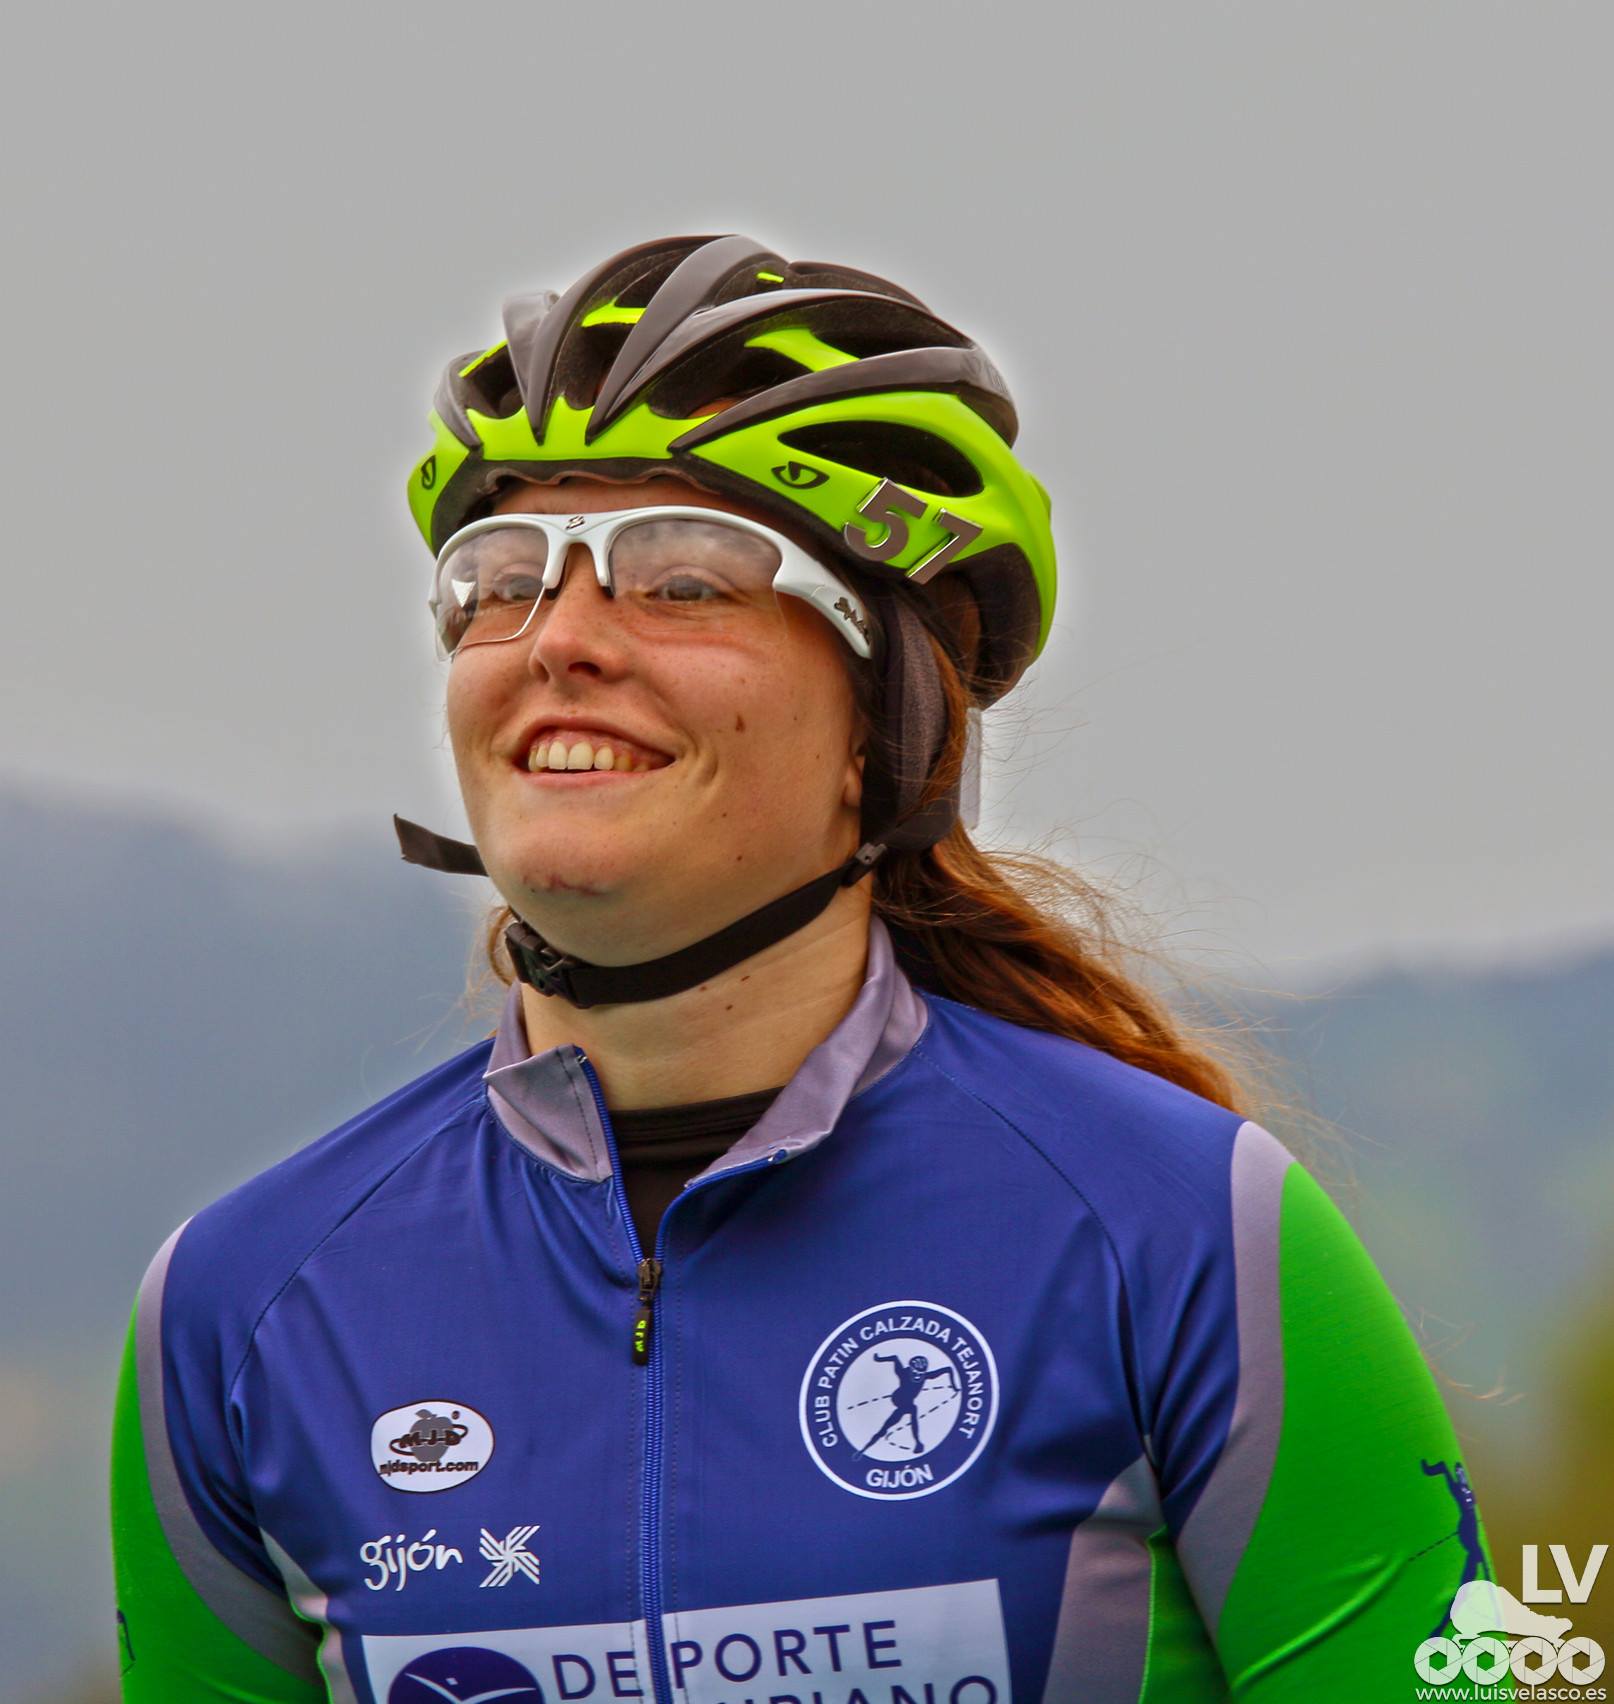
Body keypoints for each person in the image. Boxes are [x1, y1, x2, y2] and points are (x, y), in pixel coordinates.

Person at [110, 234, 1506, 1702]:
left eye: (682, 579)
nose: (558, 641)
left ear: (885, 726)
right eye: (501, 579)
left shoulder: (1185, 1234)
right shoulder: (240, 1304)